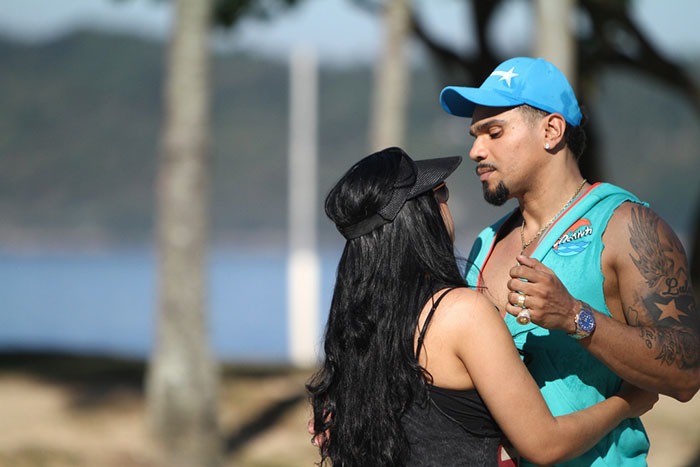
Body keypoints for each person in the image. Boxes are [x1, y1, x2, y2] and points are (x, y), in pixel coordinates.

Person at [307, 146, 657, 466]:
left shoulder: (360, 323)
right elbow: (544, 444)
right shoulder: (460, 313)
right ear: (419, 216)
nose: (446, 202)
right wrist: (626, 404)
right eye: (439, 192)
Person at [439, 56, 700, 465]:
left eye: (493, 132)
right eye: (475, 135)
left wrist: (575, 317)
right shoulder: (487, 243)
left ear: (551, 130)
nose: (475, 150)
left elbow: (687, 371)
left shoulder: (625, 225)